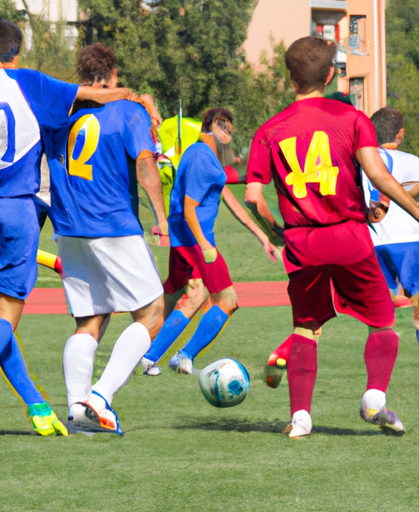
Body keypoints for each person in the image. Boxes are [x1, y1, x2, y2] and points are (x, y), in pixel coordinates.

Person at [0, 20, 145, 439]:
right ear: (15, 53)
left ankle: (35, 405)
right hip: (17, 210)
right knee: (8, 314)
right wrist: (130, 96)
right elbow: (88, 94)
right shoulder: (23, 80)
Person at [244, 36, 419, 438]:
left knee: (306, 327)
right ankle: (374, 397)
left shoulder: (270, 129)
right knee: (382, 322)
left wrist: (277, 229)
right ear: (330, 74)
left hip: (304, 242)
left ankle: (301, 418)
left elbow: (253, 196)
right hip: (350, 236)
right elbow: (378, 175)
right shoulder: (352, 119)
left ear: (290, 78)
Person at [48, 42, 167, 435]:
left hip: (68, 226)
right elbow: (146, 163)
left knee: (90, 321)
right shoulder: (127, 109)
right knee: (151, 314)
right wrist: (161, 217)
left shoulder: (61, 110)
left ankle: (76, 412)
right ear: (113, 74)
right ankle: (99, 398)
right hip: (112, 222)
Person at [140, 108, 277, 376]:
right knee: (226, 299)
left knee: (187, 298)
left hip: (187, 239)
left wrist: (263, 237)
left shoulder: (203, 156)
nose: (228, 135)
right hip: (195, 240)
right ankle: (178, 355)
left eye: (230, 131)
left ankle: (150, 357)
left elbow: (231, 201)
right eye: (225, 128)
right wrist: (204, 244)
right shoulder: (202, 156)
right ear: (212, 125)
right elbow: (189, 208)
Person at [361, 106, 419, 341]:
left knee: (378, 318)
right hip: (409, 241)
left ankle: (379, 364)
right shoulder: (412, 161)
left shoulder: (362, 162)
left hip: (371, 242)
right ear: (401, 134)